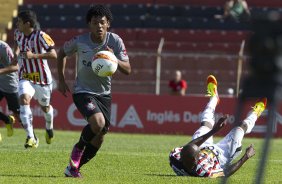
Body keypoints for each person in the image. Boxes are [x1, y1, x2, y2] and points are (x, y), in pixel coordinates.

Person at [57, 4, 131, 177]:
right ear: (89, 25)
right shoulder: (80, 41)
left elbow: (128, 69)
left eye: (102, 22)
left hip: (104, 94)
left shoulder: (115, 41)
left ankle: (73, 168)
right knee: (98, 123)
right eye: (95, 22)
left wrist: (114, 58)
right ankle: (79, 147)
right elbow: (61, 53)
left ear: (108, 24)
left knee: (100, 136)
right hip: (83, 91)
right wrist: (61, 80)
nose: (99, 26)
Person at [169, 75, 266, 178]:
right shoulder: (204, 171)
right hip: (221, 154)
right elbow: (225, 172)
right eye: (199, 155)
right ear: (195, 160)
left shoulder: (175, 156)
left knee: (205, 125)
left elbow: (189, 146)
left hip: (203, 148)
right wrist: (246, 156)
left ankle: (214, 98)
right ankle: (256, 112)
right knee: (240, 127)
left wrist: (213, 130)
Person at [14, 10, 57, 148]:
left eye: (19, 22)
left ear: (27, 24)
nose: (17, 24)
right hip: (25, 75)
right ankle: (31, 137)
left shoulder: (42, 36)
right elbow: (17, 45)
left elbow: (54, 54)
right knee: (23, 100)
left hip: (42, 79)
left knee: (45, 108)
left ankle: (49, 127)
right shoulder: (18, 33)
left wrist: (34, 56)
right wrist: (15, 55)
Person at [0, 40, 20, 138]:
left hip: (10, 84)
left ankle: (32, 137)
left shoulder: (3, 47)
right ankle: (7, 120)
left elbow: (15, 67)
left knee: (18, 115)